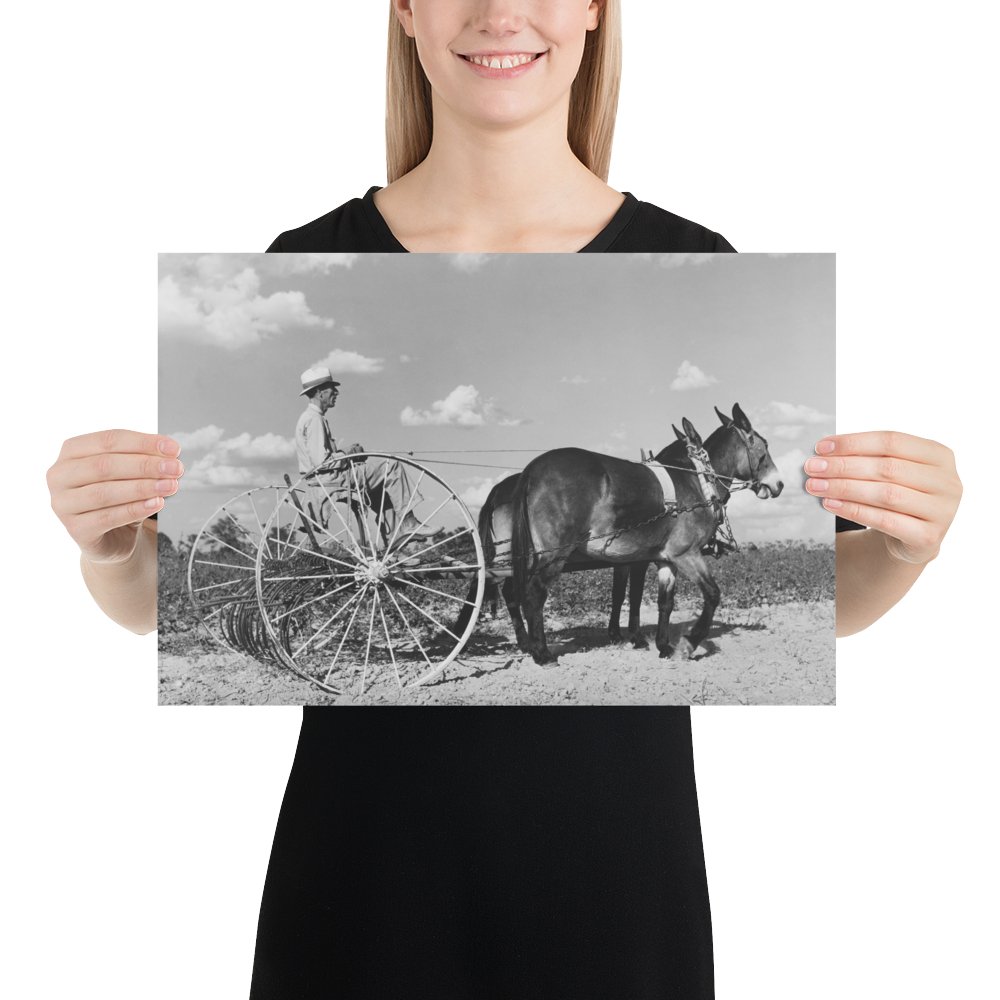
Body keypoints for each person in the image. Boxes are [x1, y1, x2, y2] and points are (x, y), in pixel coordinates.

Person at [44, 2, 963, 997]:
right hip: (361, 882)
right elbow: (142, 602)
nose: (499, 10)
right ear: (403, 10)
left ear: (595, 10)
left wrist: (907, 546)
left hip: (615, 885)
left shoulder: (699, 248)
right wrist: (107, 546)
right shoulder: (301, 245)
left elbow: (843, 601)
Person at [295, 364, 440, 541]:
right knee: (391, 466)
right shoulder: (314, 419)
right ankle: (408, 523)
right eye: (332, 389)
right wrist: (349, 455)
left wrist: (347, 452)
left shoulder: (311, 418)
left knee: (380, 482)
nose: (336, 393)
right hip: (330, 480)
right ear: (320, 392)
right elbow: (321, 462)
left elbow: (320, 458)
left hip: (325, 479)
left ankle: (395, 539)